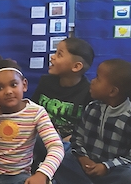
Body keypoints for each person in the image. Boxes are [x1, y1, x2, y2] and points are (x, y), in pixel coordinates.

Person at [55, 59, 131, 184]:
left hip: (111, 172)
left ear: (112, 91)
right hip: (82, 166)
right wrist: (83, 158)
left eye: (97, 78)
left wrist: (106, 166)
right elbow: (77, 138)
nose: (92, 81)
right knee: (58, 156)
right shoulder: (92, 108)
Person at [31, 38, 94, 170]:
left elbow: (89, 129)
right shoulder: (45, 82)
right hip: (42, 138)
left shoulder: (88, 92)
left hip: (69, 145)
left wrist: (70, 139)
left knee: (67, 151)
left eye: (59, 54)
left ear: (76, 66)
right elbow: (32, 112)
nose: (52, 57)